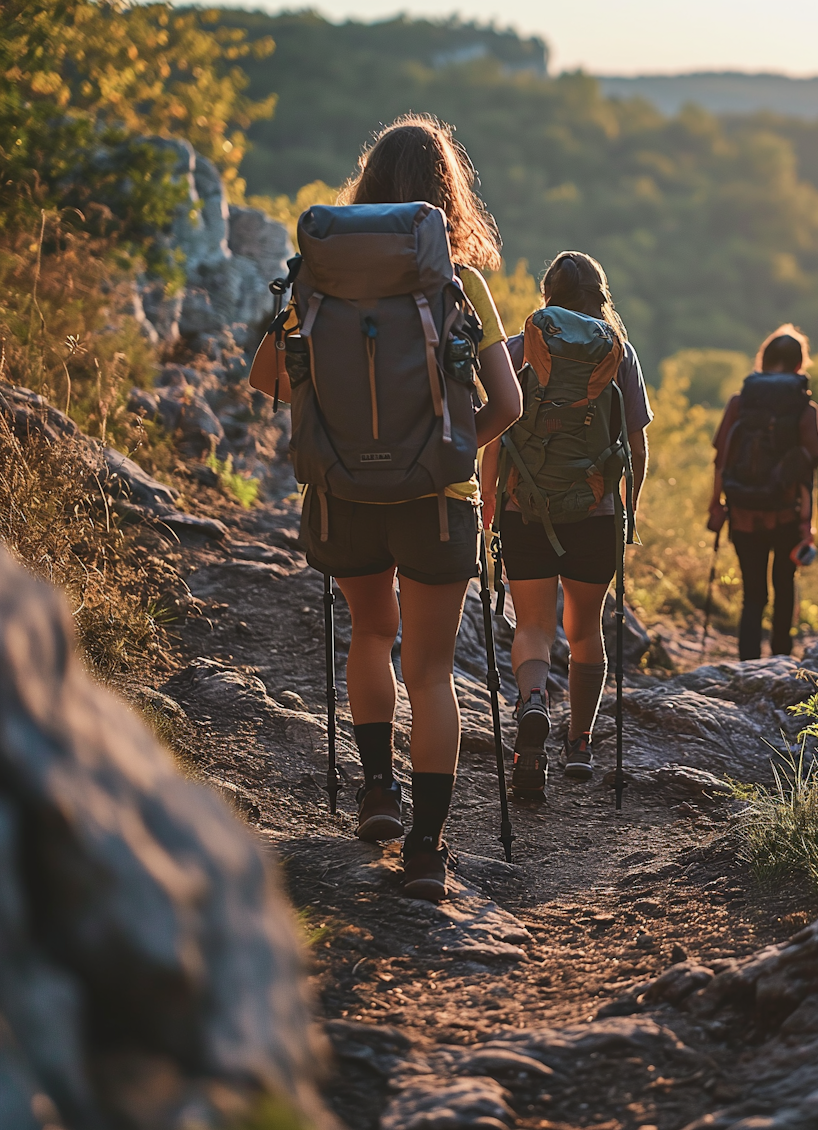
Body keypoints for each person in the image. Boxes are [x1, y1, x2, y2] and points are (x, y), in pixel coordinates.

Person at [300, 115, 523, 900]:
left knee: (370, 633)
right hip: (436, 500)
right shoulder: (461, 288)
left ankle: (375, 795)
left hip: (346, 493)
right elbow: (510, 403)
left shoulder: (316, 280)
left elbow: (269, 377)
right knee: (430, 671)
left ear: (365, 192)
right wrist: (454, 448)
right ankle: (427, 851)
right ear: (445, 197)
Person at [480, 251, 651, 797]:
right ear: (600, 297)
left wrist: (489, 500)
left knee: (532, 625)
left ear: (546, 294)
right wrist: (629, 505)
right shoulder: (619, 356)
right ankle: (579, 742)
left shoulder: (515, 349)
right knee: (585, 628)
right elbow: (636, 444)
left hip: (524, 510)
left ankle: (533, 706)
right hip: (594, 514)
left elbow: (499, 433)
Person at [709, 325, 818, 660]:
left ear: (764, 359)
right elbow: (807, 473)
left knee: (753, 594)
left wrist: (716, 506)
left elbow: (721, 460)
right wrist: (808, 524)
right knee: (784, 587)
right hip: (786, 514)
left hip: (743, 512)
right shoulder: (807, 409)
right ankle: (782, 661)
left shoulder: (739, 403)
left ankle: (747, 664)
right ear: (799, 365)